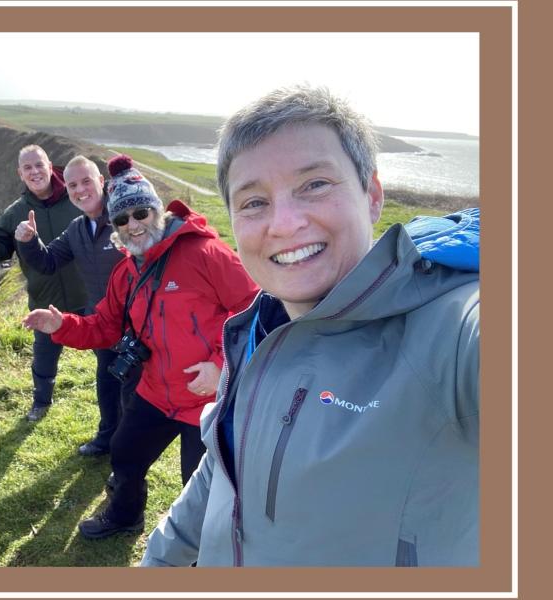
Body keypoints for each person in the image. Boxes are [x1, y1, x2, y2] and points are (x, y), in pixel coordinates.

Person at [141, 85, 480, 567]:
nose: (284, 223)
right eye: (254, 202)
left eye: (315, 184)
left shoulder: (450, 330)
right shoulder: (259, 329)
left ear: (373, 195)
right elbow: (222, 469)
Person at [23, 154, 259, 540]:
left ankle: (203, 556)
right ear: (114, 226)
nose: (133, 225)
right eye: (122, 219)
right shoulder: (126, 270)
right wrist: (61, 324)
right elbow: (103, 326)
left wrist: (222, 365)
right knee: (126, 452)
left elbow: (254, 307)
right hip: (155, 390)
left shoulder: (205, 253)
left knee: (196, 485)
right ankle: (125, 516)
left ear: (157, 211)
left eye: (141, 213)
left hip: (206, 397)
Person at [14, 155, 128, 456]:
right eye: (74, 184)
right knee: (106, 381)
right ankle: (107, 440)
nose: (80, 190)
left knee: (135, 390)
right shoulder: (77, 228)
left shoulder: (124, 219)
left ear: (101, 182)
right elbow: (48, 262)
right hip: (101, 323)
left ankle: (128, 453)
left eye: (87, 181)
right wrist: (29, 240)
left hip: (137, 324)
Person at [0, 145, 87, 422]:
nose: (35, 171)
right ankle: (41, 403)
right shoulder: (16, 213)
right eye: (28, 168)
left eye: (39, 165)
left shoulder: (77, 197)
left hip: (89, 296)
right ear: (20, 174)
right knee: (44, 359)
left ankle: (116, 410)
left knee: (107, 357)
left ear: (50, 166)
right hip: (45, 300)